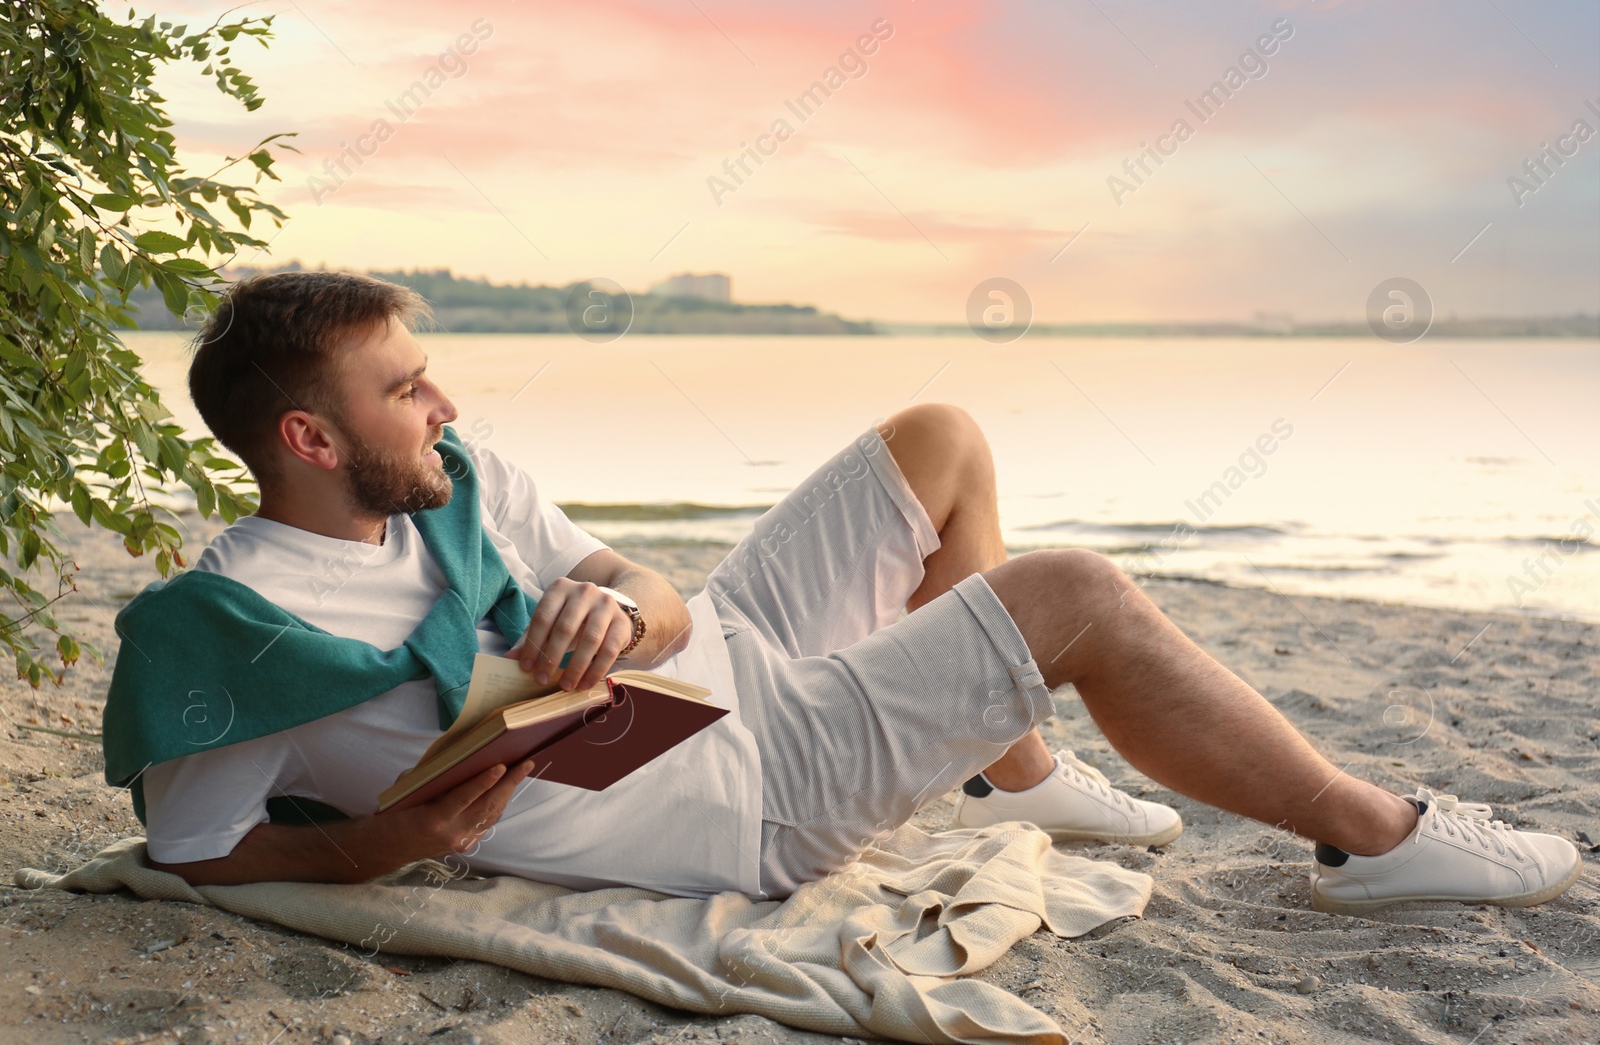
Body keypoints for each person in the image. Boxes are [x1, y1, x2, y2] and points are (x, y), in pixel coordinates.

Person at [104, 271, 1583, 915]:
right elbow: (195, 850)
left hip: (714, 675)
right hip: (747, 790)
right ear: (307, 441)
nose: (445, 399)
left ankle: (1018, 777)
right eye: (404, 386)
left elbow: (642, 582)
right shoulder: (236, 637)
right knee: (1072, 593)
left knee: (938, 439)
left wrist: (632, 608)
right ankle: (1376, 841)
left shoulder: (460, 485)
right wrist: (377, 849)